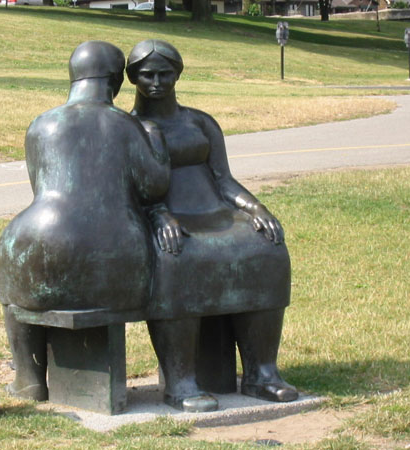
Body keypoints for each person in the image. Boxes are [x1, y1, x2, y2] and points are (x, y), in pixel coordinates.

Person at [126, 39, 298, 411]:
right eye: (147, 75)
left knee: (267, 250)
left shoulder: (200, 122)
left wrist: (256, 207)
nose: (156, 82)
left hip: (215, 211)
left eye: (164, 74)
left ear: (177, 75)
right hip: (165, 215)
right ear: (132, 78)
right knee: (178, 259)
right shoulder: (130, 128)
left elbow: (224, 179)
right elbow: (132, 187)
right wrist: (157, 214)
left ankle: (262, 373)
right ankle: (181, 382)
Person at [0, 41, 170, 401]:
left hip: (35, 240)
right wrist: (155, 141)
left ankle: (28, 378)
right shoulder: (126, 124)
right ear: (114, 81)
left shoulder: (41, 124)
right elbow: (153, 187)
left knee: (14, 295)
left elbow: (41, 185)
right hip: (112, 253)